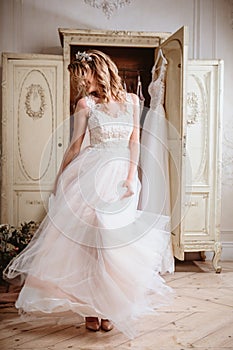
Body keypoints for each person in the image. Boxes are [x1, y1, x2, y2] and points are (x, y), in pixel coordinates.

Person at [3, 50, 174, 339]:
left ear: (98, 72)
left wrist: (132, 177)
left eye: (82, 74)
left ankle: (108, 309)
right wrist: (60, 177)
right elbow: (75, 145)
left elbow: (134, 141)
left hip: (121, 179)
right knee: (88, 247)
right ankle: (91, 310)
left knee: (113, 248)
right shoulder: (85, 104)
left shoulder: (132, 101)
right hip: (89, 177)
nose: (79, 81)